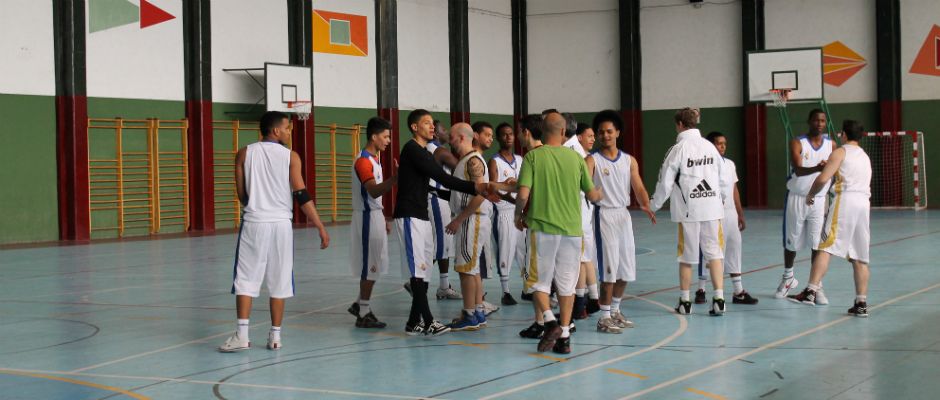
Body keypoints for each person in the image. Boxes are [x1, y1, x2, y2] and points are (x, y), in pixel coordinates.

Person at [219, 111, 330, 352]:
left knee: (246, 278)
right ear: (276, 131)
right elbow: (301, 194)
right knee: (280, 279)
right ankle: (275, 337)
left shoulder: (244, 153)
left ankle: (242, 336)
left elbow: (242, 195)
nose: (290, 132)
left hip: (255, 222)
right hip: (281, 225)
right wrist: (319, 225)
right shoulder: (292, 156)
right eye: (288, 128)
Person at [394, 109, 504, 336]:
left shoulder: (425, 152)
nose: (432, 126)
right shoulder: (412, 149)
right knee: (418, 272)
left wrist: (489, 188)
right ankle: (428, 320)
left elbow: (434, 186)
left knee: (424, 272)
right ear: (414, 127)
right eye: (426, 123)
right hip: (409, 214)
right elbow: (444, 179)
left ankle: (413, 322)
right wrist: (477, 187)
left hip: (422, 215)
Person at [516, 112, 603, 354]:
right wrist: (601, 192)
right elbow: (593, 195)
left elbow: (523, 194)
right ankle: (564, 337)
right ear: (564, 133)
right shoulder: (576, 159)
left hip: (542, 229)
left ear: (542, 131)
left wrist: (518, 215)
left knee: (537, 283)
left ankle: (550, 321)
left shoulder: (533, 157)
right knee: (567, 286)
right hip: (572, 232)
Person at [788, 120, 872, 317]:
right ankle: (861, 303)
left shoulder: (840, 152)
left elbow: (823, 178)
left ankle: (810, 291)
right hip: (864, 205)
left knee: (825, 247)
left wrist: (811, 194)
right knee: (859, 257)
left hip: (846, 201)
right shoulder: (865, 157)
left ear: (843, 134)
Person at [650, 107, 727, 316]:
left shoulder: (678, 149)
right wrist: (720, 201)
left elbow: (664, 182)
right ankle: (719, 299)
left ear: (680, 125)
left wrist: (652, 206)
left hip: (689, 212)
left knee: (686, 256)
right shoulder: (710, 147)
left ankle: (685, 302)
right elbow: (723, 179)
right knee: (715, 254)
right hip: (712, 210)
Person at [586, 110, 656, 334]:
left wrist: (647, 205)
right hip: (603, 215)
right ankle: (603, 317)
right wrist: (590, 194)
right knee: (609, 271)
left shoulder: (629, 160)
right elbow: (584, 188)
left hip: (623, 216)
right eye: (601, 132)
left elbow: (639, 187)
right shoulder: (591, 160)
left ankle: (615, 310)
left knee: (625, 269)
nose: (605, 135)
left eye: (609, 131)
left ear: (617, 132)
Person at [777, 109, 836, 304]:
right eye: (816, 120)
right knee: (791, 242)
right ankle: (788, 277)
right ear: (809, 121)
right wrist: (818, 168)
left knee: (817, 244)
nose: (820, 123)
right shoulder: (797, 142)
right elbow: (799, 170)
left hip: (819, 200)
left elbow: (835, 171)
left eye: (823, 120)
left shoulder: (832, 145)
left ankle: (815, 286)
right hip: (798, 197)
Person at [694, 132, 758, 305]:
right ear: (709, 145)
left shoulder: (729, 164)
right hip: (713, 214)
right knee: (710, 252)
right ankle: (701, 289)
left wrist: (740, 213)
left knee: (734, 249)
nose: (722, 146)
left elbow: (734, 189)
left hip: (730, 215)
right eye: (718, 143)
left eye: (724, 143)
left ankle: (738, 292)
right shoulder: (704, 165)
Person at [347, 117, 397, 329]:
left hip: (375, 216)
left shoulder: (375, 160)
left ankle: (360, 304)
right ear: (374, 136)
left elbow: (375, 197)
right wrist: (396, 178)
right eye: (385, 137)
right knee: (370, 267)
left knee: (376, 265)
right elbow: (374, 190)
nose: (388, 141)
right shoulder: (363, 161)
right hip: (366, 218)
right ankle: (363, 313)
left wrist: (383, 215)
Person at [445, 123, 493, 330]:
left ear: (462, 137)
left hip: (472, 219)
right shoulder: (466, 161)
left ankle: (469, 314)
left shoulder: (473, 161)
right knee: (472, 270)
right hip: (472, 218)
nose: (450, 141)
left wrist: (459, 219)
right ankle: (478, 310)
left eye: (452, 138)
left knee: (465, 269)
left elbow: (480, 194)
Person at [424, 120, 462, 300]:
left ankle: (444, 286)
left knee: (443, 244)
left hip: (442, 200)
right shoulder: (437, 149)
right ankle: (419, 280)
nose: (447, 132)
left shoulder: (435, 148)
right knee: (440, 244)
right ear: (437, 133)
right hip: (437, 198)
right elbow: (461, 167)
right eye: (444, 129)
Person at [488, 122, 523, 306]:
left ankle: (527, 288)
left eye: (511, 134)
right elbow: (493, 189)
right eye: (504, 134)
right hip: (503, 212)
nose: (508, 137)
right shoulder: (494, 161)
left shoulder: (521, 159)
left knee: (524, 251)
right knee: (505, 251)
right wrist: (510, 194)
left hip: (521, 211)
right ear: (498, 138)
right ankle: (506, 291)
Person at [572, 122, 601, 318]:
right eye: (589, 135)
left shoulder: (583, 157)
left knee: (581, 260)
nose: (593, 139)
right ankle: (593, 298)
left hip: (581, 215)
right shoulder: (577, 153)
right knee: (586, 258)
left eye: (593, 135)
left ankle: (580, 304)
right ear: (579, 136)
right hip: (583, 214)